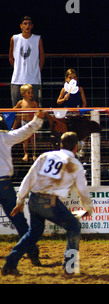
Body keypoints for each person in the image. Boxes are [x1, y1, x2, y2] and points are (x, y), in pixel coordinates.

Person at [2, 132, 94, 276]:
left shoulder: (45, 156)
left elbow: (29, 178)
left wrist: (20, 200)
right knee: (74, 227)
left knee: (34, 233)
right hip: (50, 203)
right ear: (76, 147)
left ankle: (10, 263)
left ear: (61, 144)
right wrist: (88, 208)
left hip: (34, 199)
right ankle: (69, 267)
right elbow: (82, 189)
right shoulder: (75, 164)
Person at [0, 110, 45, 268]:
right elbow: (24, 131)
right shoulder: (4, 137)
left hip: (4, 183)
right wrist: (37, 121)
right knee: (19, 221)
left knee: (19, 220)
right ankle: (33, 255)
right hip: (3, 183)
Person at [9, 16, 45, 107]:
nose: (27, 26)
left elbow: (42, 58)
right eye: (25, 23)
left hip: (33, 79)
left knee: (33, 107)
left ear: (32, 26)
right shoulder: (15, 38)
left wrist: (36, 71)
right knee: (16, 107)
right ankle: (15, 122)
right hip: (17, 79)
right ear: (21, 26)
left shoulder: (37, 39)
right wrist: (18, 68)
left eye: (29, 24)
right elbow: (10, 57)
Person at [12, 84, 40, 162]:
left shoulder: (34, 103)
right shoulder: (21, 102)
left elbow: (39, 111)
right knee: (25, 139)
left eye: (32, 92)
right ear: (23, 94)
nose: (31, 94)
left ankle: (34, 154)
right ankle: (26, 154)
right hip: (24, 122)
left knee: (32, 139)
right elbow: (13, 109)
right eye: (29, 92)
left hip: (32, 122)